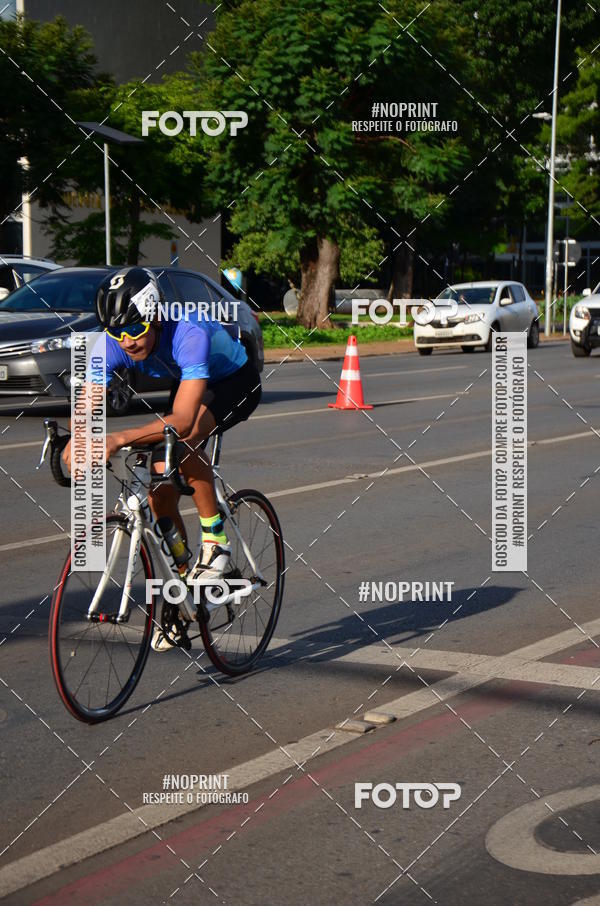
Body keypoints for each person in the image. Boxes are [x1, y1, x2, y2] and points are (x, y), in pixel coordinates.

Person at [62, 266, 262, 647]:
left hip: (234, 381)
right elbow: (86, 407)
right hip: (189, 380)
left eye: (135, 330)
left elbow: (184, 420)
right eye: (118, 333)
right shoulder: (112, 342)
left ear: (154, 314)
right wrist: (79, 437)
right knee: (158, 479)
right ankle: (182, 592)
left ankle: (216, 542)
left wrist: (120, 437)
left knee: (183, 441)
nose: (127, 342)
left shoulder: (189, 330)